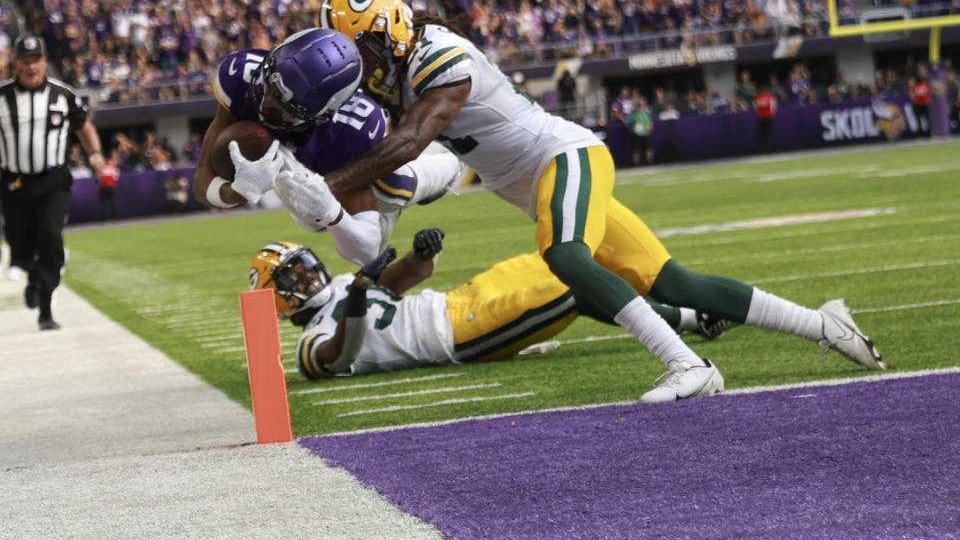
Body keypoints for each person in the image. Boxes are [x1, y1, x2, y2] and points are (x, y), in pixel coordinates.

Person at [310, 0, 885, 401]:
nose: (354, 65)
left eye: (357, 50)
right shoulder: (401, 77)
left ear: (391, 32)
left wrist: (325, 185)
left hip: (564, 157)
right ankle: (826, 324)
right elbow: (409, 159)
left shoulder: (440, 56)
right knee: (677, 282)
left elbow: (410, 143)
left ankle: (689, 365)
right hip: (540, 181)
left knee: (564, 256)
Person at [252, 234, 888, 386]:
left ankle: (692, 320)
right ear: (280, 297)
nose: (309, 272)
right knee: (573, 289)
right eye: (294, 274)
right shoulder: (310, 343)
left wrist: (418, 258)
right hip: (459, 333)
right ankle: (686, 353)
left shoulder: (345, 285)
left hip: (455, 300)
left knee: (569, 257)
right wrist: (361, 294)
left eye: (305, 263)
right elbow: (346, 351)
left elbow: (400, 279)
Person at [192, 27, 464, 263]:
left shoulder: (349, 130)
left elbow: (367, 251)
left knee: (394, 190)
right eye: (267, 85)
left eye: (283, 107)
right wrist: (236, 193)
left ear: (322, 115)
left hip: (362, 177)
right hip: (301, 171)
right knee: (307, 213)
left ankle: (449, 164)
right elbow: (202, 179)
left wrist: (332, 211)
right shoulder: (241, 73)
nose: (264, 105)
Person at [0, 35, 106, 330]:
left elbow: (84, 126)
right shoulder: (2, 97)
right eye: (25, 60)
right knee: (18, 247)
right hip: (14, 181)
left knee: (50, 236)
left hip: (53, 180)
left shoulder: (63, 95)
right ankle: (33, 275)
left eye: (36, 60)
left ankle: (46, 308)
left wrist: (95, 153)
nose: (31, 66)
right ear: (16, 63)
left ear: (45, 61)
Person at [753, 86, 778, 154]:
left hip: (760, 118)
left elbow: (755, 107)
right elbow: (774, 107)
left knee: (761, 135)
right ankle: (768, 150)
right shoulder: (770, 96)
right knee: (768, 135)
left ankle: (761, 151)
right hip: (769, 117)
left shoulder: (757, 97)